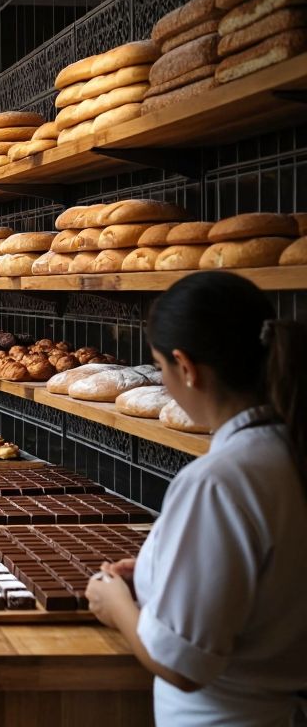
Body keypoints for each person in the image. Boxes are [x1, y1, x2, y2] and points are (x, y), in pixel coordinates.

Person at [85, 271, 307, 726]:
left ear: (185, 367)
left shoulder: (218, 480)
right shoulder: (288, 450)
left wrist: (118, 607)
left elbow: (184, 666)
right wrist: (154, 575)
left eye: (161, 369)